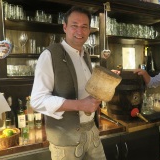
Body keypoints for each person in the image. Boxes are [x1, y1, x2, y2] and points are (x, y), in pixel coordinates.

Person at [30, 6, 106, 160]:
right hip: (66, 141)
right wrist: (79, 105)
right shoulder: (50, 54)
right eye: (74, 26)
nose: (80, 31)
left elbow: (86, 91)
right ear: (65, 27)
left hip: (92, 132)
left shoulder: (85, 55)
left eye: (84, 27)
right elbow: (37, 101)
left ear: (89, 30)